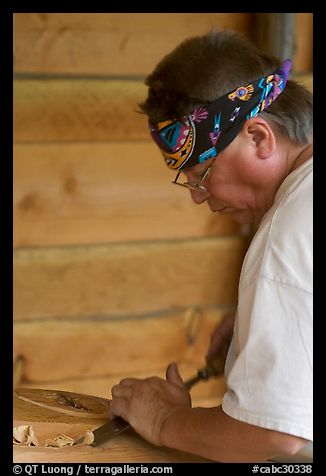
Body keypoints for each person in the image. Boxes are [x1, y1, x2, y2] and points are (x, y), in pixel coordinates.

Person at [110, 29, 313, 463]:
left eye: (201, 174)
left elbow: (272, 437)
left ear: (259, 138)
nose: (198, 196)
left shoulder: (288, 231)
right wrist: (263, 320)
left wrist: (164, 421)